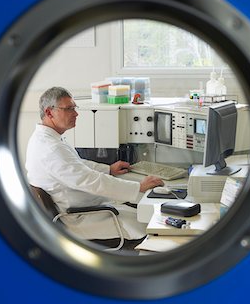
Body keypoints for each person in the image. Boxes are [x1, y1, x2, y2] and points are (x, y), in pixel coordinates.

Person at [26, 86, 164, 242]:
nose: (76, 113)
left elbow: (77, 164)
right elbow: (89, 180)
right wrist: (138, 187)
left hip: (82, 207)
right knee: (150, 223)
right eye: (69, 109)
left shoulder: (45, 139)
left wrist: (108, 169)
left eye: (75, 108)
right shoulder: (51, 148)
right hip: (80, 218)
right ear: (49, 112)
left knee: (142, 211)